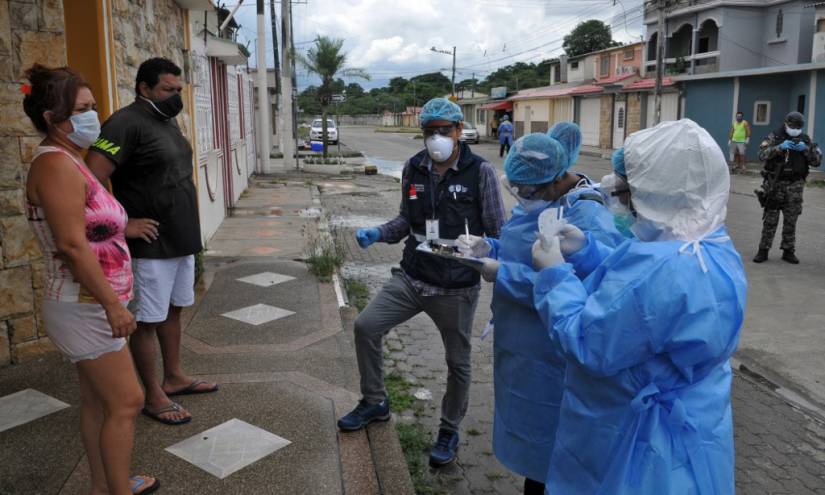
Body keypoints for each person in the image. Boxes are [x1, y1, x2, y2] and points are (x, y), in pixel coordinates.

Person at [529, 119, 747, 494]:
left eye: (629, 189)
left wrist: (555, 278)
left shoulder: (662, 269)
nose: (620, 198)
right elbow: (633, 300)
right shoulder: (711, 248)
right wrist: (587, 252)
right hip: (697, 427)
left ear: (660, 192)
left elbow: (588, 342)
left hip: (640, 444)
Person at [455, 122, 625, 495]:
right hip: (522, 348)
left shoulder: (586, 214)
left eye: (527, 188)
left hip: (552, 354)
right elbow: (522, 245)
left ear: (555, 178)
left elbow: (586, 288)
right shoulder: (542, 200)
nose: (521, 195)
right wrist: (490, 249)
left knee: (554, 455)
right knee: (533, 449)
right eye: (516, 188)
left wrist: (504, 274)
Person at [337, 97, 506, 467]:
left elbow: (499, 231)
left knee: (457, 361)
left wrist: (485, 250)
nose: (436, 138)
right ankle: (375, 401)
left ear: (459, 131)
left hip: (456, 286)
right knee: (366, 326)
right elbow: (405, 223)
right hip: (413, 277)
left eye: (444, 130)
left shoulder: (480, 172)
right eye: (429, 131)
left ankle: (449, 427)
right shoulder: (413, 167)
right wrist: (378, 232)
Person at [22, 64, 160, 494]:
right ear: (51, 117)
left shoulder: (70, 160)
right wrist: (113, 305)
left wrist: (125, 227)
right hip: (86, 305)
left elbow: (93, 227)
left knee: (100, 402)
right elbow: (72, 245)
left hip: (90, 304)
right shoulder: (55, 166)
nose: (92, 116)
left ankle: (106, 485)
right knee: (128, 401)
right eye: (82, 109)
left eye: (93, 107)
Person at [86, 58, 218, 426]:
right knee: (146, 320)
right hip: (151, 245)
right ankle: (152, 394)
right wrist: (122, 225)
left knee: (173, 310)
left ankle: (173, 376)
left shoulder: (164, 118)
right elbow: (90, 181)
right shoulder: (124, 123)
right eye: (167, 90)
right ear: (144, 88)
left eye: (179, 90)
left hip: (179, 238)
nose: (176, 97)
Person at [753, 111, 821, 264]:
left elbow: (816, 161)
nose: (795, 129)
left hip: (795, 185)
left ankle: (788, 251)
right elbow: (761, 154)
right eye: (792, 126)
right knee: (771, 219)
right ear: (786, 123)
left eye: (798, 126)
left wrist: (806, 149)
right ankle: (763, 250)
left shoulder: (805, 139)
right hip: (776, 183)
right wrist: (779, 147)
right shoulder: (774, 136)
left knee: (791, 219)